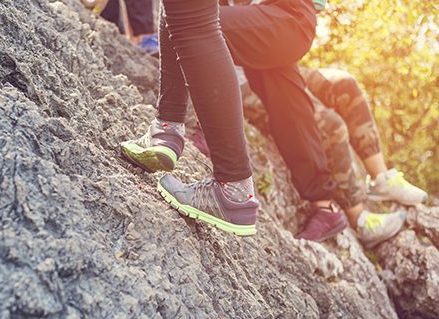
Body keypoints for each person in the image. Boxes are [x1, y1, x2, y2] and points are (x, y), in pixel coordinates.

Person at [121, 0, 342, 236]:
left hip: (286, 13)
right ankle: (324, 204)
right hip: (287, 19)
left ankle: (176, 135)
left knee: (191, 21)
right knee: (288, 105)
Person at [200, 66, 427, 247]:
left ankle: (382, 179)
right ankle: (359, 218)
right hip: (240, 79)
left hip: (272, 65)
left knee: (344, 83)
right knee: (329, 125)